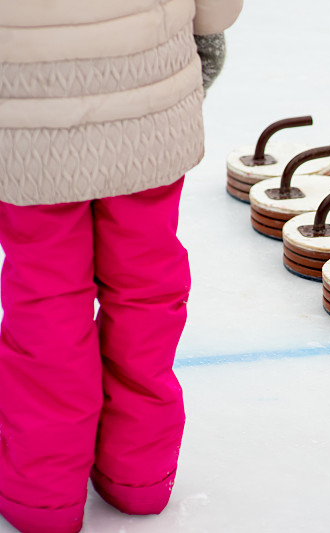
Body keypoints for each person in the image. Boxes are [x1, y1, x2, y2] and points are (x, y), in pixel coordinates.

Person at [0, 1, 242, 531]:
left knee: (45, 302)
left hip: (26, 101)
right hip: (145, 79)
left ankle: (43, 498)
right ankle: (140, 477)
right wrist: (209, 30)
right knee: (146, 288)